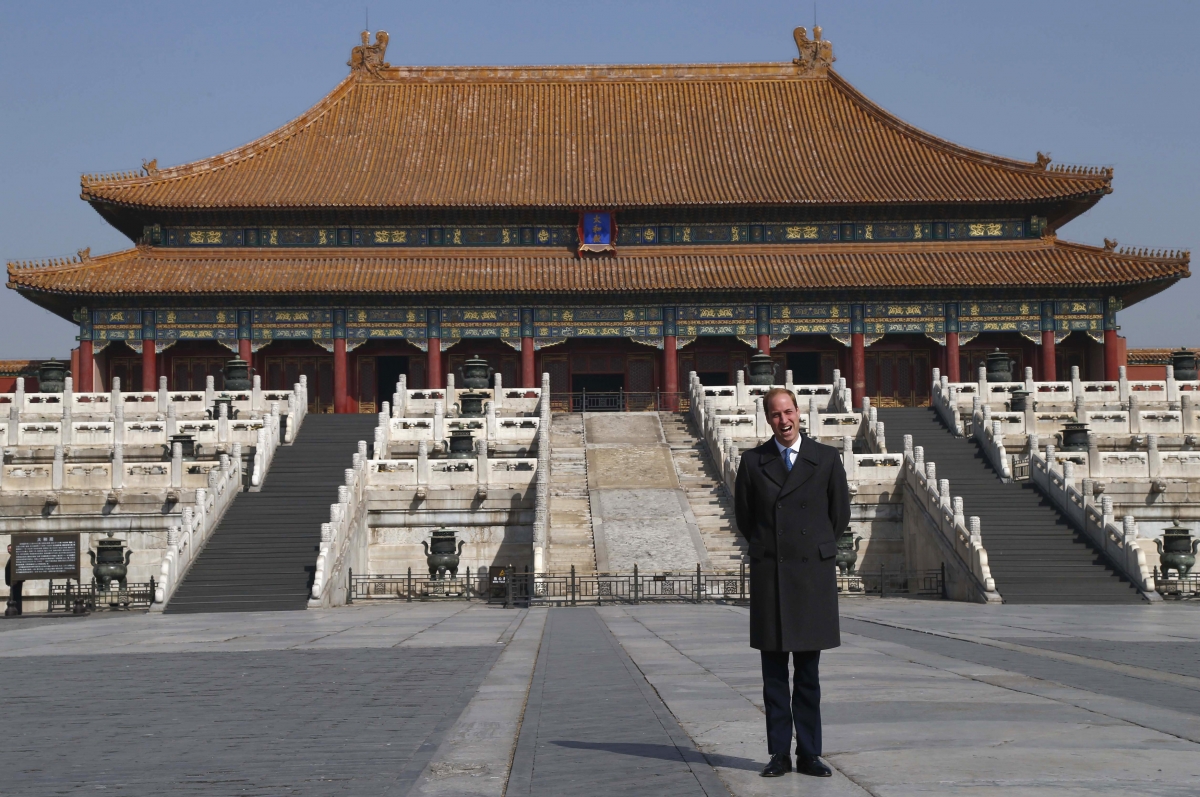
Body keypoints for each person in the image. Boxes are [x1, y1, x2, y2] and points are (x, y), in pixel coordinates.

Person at [734, 386, 850, 778]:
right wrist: (771, 550)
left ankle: (810, 753)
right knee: (773, 677)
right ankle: (779, 754)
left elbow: (839, 517)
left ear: (799, 413)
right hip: (772, 576)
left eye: (788, 412)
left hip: (810, 578)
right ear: (767, 419)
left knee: (808, 675)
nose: (783, 421)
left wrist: (814, 549)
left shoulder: (826, 458)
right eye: (774, 415)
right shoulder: (754, 462)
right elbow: (746, 520)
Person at [5, 543, 23, 616]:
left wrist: (15, 580)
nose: (9, 550)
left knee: (16, 596)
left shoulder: (15, 558)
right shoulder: (12, 557)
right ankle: (16, 610)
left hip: (16, 581)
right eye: (8, 549)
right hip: (12, 581)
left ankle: (18, 611)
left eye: (10, 548)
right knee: (13, 596)